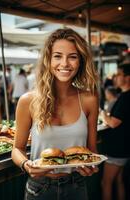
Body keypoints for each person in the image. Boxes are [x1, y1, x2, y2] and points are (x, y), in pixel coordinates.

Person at [11, 28, 99, 200]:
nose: (65, 63)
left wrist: (92, 166)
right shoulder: (28, 101)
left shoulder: (89, 99)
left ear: (80, 61)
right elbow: (17, 149)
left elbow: (92, 150)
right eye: (58, 56)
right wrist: (26, 164)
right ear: (48, 60)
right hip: (39, 188)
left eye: (72, 56)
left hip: (77, 185)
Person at [101, 63, 130, 200]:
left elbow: (113, 123)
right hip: (124, 148)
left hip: (117, 150)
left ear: (128, 78)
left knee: (106, 183)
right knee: (119, 181)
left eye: (118, 74)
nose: (115, 78)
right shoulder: (124, 96)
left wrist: (102, 114)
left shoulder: (126, 98)